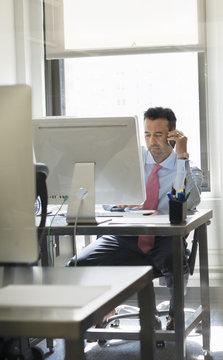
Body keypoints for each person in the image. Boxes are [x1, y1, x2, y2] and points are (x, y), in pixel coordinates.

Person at [67, 107, 202, 330]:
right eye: (147, 134)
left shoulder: (185, 165)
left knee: (175, 261)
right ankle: (101, 308)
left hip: (164, 238)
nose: (152, 141)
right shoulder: (132, 159)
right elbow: (106, 197)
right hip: (125, 237)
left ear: (172, 135)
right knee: (77, 264)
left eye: (158, 134)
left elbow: (191, 203)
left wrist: (182, 156)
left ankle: (174, 316)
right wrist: (119, 202)